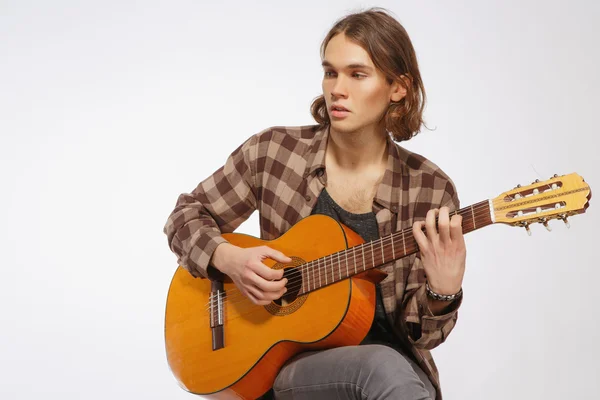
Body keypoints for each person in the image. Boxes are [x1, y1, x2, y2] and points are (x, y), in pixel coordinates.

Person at [163, 7, 466, 400]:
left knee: (385, 367)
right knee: (383, 368)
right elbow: (185, 216)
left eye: (357, 74)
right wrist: (228, 260)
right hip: (284, 366)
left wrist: (444, 292)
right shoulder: (274, 152)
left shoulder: (430, 189)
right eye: (330, 72)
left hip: (387, 372)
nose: (337, 88)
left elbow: (420, 336)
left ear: (398, 87)